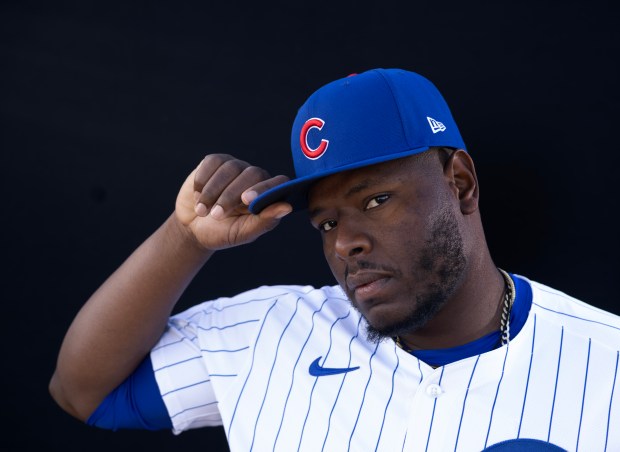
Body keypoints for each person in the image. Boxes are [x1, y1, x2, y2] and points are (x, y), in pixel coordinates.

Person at [49, 68, 619, 451]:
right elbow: (84, 392)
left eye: (374, 200)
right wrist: (185, 237)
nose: (345, 243)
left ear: (461, 184)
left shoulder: (607, 362)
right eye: (326, 223)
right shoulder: (265, 334)